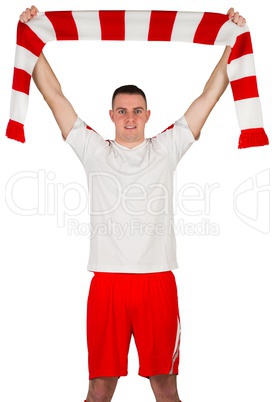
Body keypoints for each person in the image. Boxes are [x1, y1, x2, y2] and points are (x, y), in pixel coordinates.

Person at [20, 6, 246, 402]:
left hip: (156, 281)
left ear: (147, 115)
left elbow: (208, 95)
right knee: (98, 389)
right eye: (122, 111)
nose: (129, 118)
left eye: (136, 111)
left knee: (165, 388)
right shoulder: (94, 150)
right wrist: (31, 41)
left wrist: (233, 44)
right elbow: (53, 94)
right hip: (106, 282)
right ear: (111, 115)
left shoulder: (166, 148)